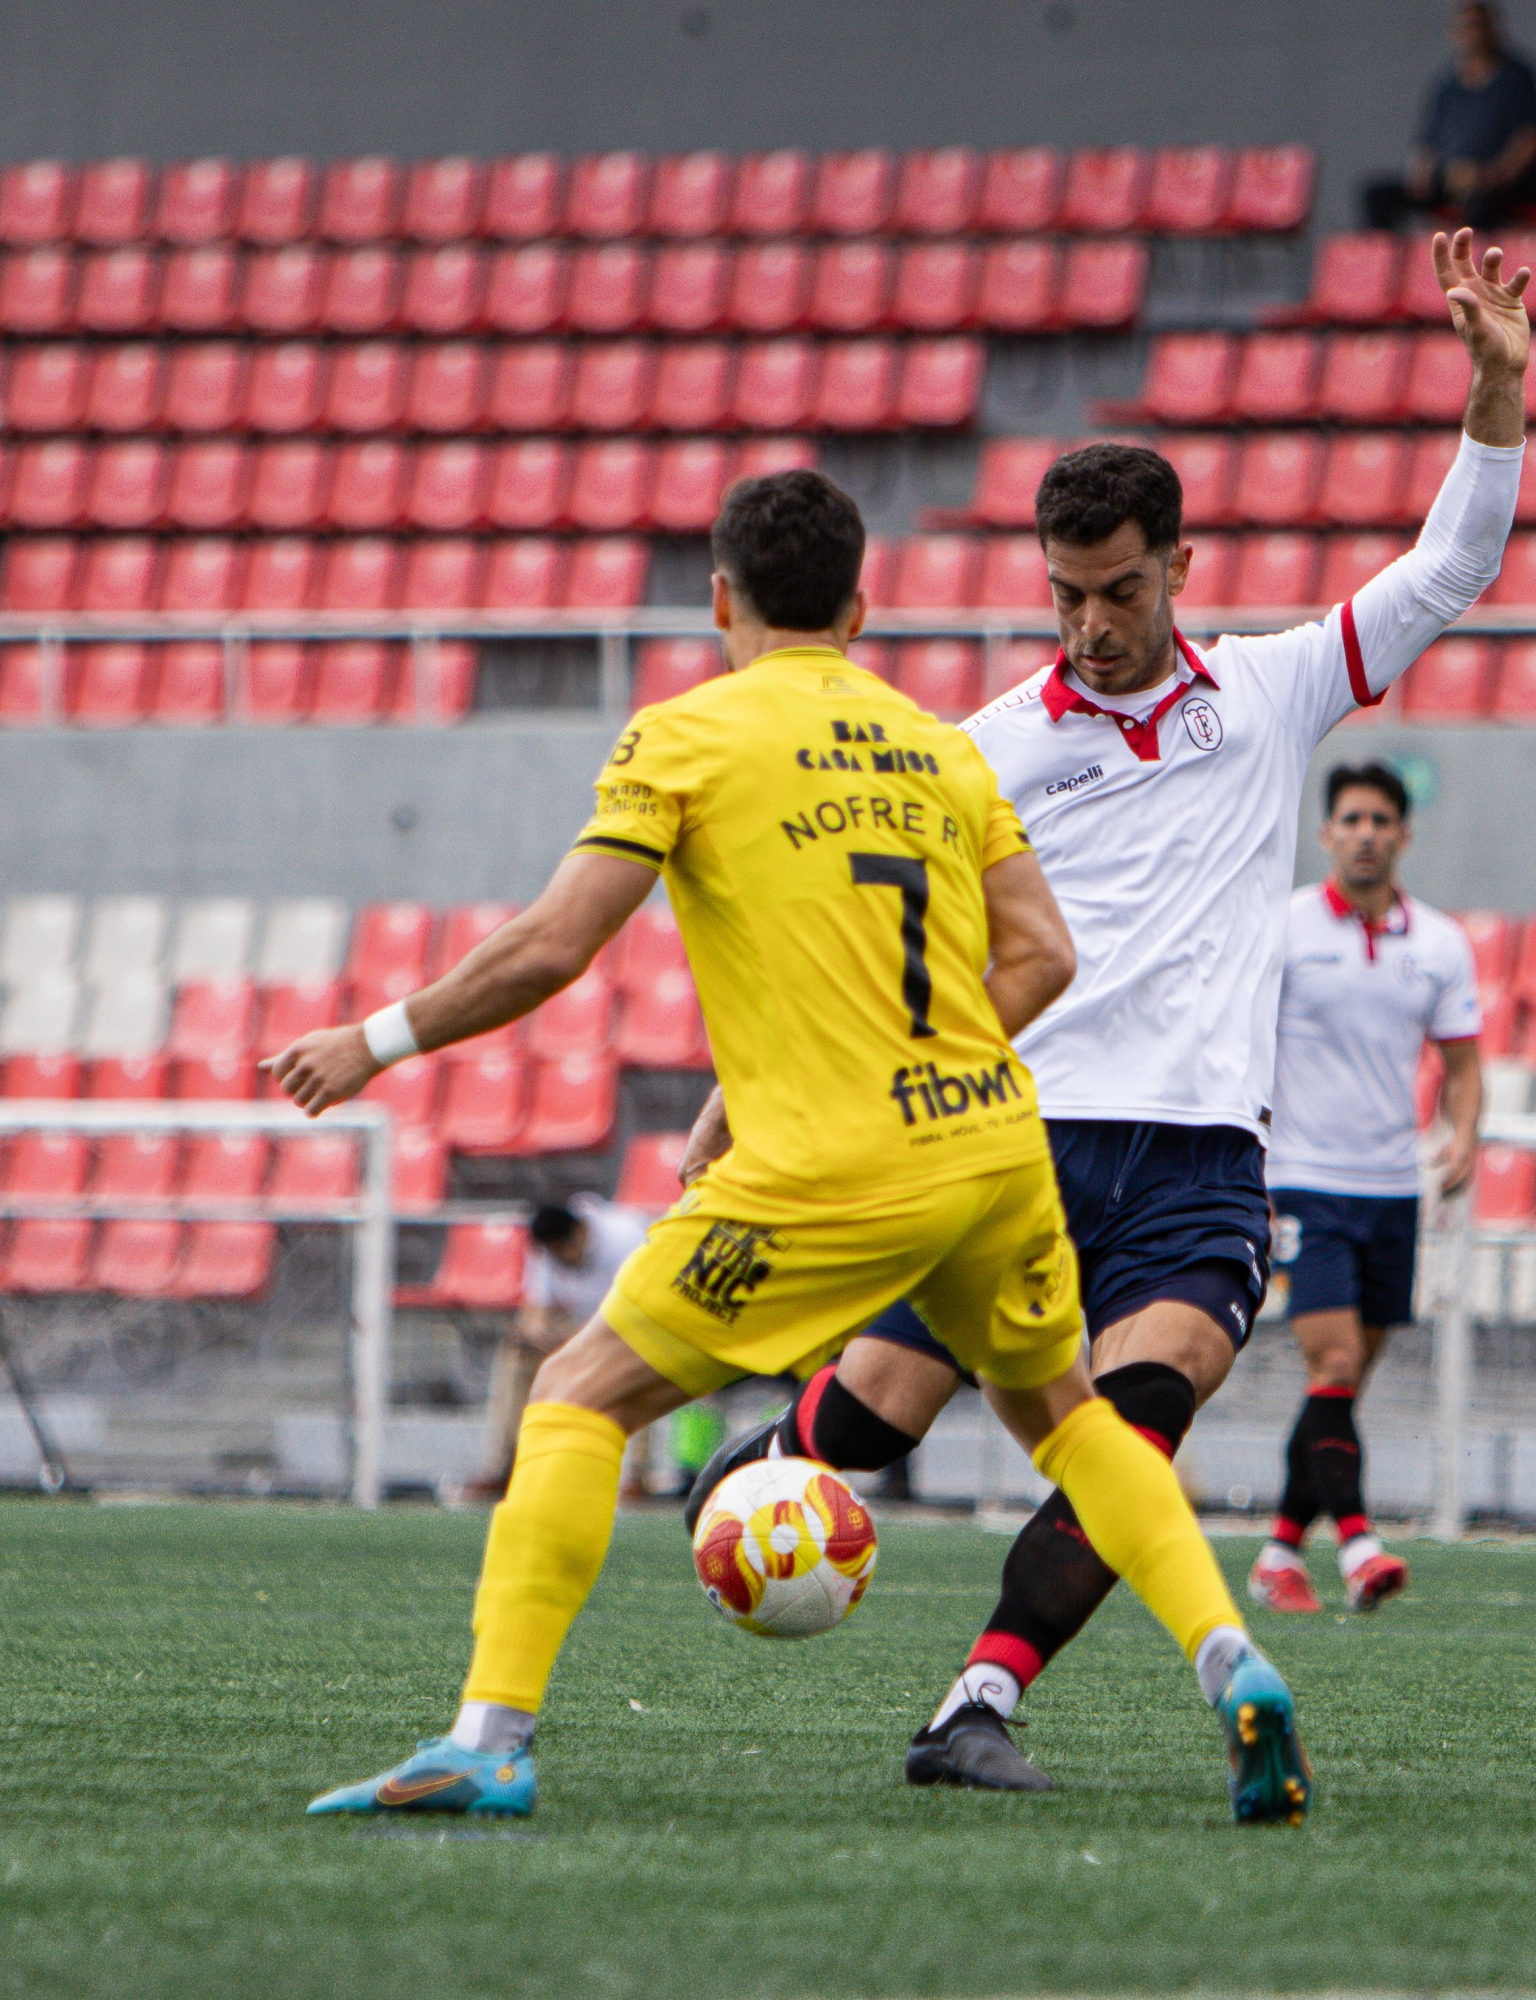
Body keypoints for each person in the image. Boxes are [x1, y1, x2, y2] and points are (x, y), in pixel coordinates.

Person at [268, 468, 1312, 1826]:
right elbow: (1045, 953)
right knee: (1069, 1420)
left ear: (721, 601)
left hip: (835, 1162)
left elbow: (550, 947)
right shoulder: (939, 746)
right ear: (864, 608)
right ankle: (1233, 1656)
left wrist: (379, 1039)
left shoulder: (686, 738)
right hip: (998, 1145)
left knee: (578, 1397)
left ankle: (489, 1740)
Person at [686, 229, 1530, 1793]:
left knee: (1134, 1420)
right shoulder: (983, 744)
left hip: (1206, 1160)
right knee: (876, 1419)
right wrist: (762, 1077)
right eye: (1068, 595)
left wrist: (1495, 392)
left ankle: (977, 1705)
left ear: (1180, 569)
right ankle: (764, 1467)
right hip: (1013, 1143)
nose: (1092, 623)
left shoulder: (1275, 696)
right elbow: (890, 936)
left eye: (1122, 591)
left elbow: (1450, 573)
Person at [1246, 760, 1483, 1616]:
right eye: (1352, 818)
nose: (1367, 833)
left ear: (1404, 835)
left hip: (1392, 1187)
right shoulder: (1283, 928)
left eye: (1383, 819)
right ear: (1327, 833)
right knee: (1335, 1362)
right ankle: (1357, 1546)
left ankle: (1278, 1550)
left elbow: (1462, 1062)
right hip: (1304, 1181)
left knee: (1339, 1387)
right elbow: (1240, 1048)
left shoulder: (1441, 942)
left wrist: (1463, 1134)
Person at [463, 1197, 653, 1504]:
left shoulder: (627, 1237)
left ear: (579, 1233)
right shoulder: (547, 1252)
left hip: (631, 1327)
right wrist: (533, 1335)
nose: (560, 1260)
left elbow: (640, 1309)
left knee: (641, 1361)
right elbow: (538, 1308)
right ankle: (501, 1467)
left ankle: (635, 1475)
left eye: (563, 1252)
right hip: (580, 1327)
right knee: (516, 1357)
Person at [1362, 1, 1536, 233]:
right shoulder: (1447, 85)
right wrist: (1422, 174)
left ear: (1495, 29)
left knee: (1482, 202)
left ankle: (1472, 266)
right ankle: (1394, 267)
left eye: (1480, 26)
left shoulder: (1517, 76)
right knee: (1376, 195)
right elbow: (1427, 143)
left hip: (1501, 186)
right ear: (1454, 33)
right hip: (1453, 181)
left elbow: (1530, 140)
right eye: (1467, 27)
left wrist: (1488, 176)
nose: (1474, 34)